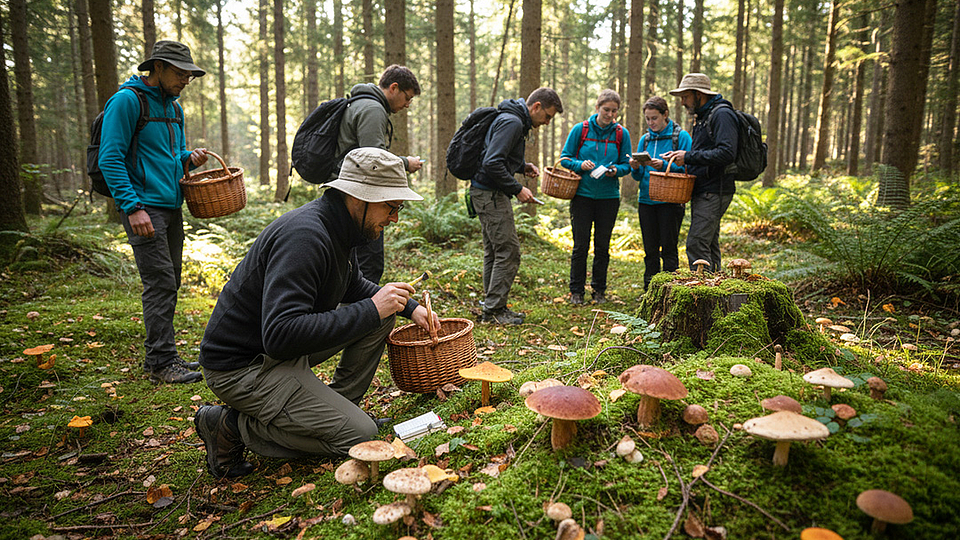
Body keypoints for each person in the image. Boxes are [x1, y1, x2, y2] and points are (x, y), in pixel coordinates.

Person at [195, 148, 439, 478]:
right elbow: (281, 335)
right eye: (391, 206)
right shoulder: (306, 236)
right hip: (244, 367)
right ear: (358, 197)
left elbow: (352, 285)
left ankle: (333, 408)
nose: (394, 217)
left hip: (276, 351)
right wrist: (372, 308)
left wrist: (410, 308)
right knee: (362, 437)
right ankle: (229, 426)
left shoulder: (340, 227)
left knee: (382, 314)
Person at [98, 40, 210, 384]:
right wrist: (132, 207)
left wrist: (188, 158)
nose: (185, 80)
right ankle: (160, 363)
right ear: (157, 67)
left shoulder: (174, 109)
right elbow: (110, 157)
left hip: (170, 207)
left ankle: (163, 355)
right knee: (159, 281)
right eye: (179, 73)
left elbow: (172, 156)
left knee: (170, 279)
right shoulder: (127, 101)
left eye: (188, 75)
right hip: (143, 208)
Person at [469, 87, 563, 325]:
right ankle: (494, 311)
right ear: (537, 107)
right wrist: (517, 188)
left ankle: (490, 304)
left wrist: (522, 166)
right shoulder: (512, 122)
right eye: (548, 117)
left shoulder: (512, 119)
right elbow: (492, 162)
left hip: (485, 191)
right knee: (508, 251)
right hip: (491, 194)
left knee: (495, 250)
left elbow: (495, 154)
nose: (547, 123)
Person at [334, 65, 424, 285]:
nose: (407, 104)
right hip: (363, 196)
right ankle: (364, 315)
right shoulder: (373, 109)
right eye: (407, 97)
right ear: (394, 88)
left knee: (353, 261)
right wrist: (405, 163)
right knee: (368, 262)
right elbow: (374, 161)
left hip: (351, 192)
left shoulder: (363, 104)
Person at [559, 89, 632, 305]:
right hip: (582, 195)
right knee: (580, 245)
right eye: (606, 110)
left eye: (614, 111)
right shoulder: (580, 130)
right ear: (597, 108)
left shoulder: (621, 134)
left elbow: (627, 164)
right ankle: (576, 291)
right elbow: (564, 158)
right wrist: (579, 165)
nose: (610, 115)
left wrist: (615, 171)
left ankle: (599, 290)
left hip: (609, 197)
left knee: (602, 245)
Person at [661, 73, 738, 273]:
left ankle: (702, 292)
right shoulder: (703, 117)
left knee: (696, 243)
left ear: (698, 94)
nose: (683, 102)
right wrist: (686, 158)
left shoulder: (721, 115)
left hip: (715, 190)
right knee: (709, 243)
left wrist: (688, 157)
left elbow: (727, 152)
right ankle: (716, 291)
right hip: (704, 189)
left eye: (685, 97)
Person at [629, 96, 693, 289]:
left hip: (670, 201)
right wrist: (635, 166)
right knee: (650, 250)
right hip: (646, 200)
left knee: (669, 249)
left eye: (654, 118)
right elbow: (638, 177)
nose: (651, 123)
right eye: (648, 119)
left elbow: (689, 169)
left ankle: (670, 292)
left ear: (665, 115)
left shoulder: (681, 137)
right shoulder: (645, 139)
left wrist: (664, 165)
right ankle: (650, 292)